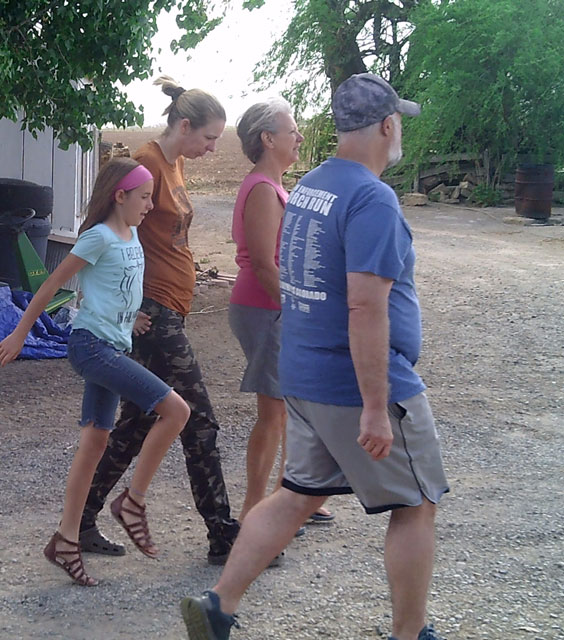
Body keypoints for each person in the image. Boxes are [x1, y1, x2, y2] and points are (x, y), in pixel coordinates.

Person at [180, 73, 449, 640]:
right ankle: (410, 634)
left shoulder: (311, 186)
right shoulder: (371, 198)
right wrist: (376, 406)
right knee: (416, 501)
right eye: (398, 121)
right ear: (386, 125)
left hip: (306, 375)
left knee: (297, 495)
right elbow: (365, 306)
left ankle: (218, 605)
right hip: (358, 383)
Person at [0, 158, 190, 586]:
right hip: (91, 347)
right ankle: (133, 502)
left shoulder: (131, 234)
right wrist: (19, 334)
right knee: (177, 411)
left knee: (95, 442)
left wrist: (130, 318)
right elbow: (50, 285)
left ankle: (66, 540)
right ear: (119, 196)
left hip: (112, 343)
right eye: (144, 197)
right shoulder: (98, 236)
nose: (150, 205)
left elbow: (113, 288)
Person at [78, 76, 241, 565]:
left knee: (137, 421)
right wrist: (126, 308)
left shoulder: (175, 164)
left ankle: (79, 520)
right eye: (209, 137)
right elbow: (105, 228)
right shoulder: (146, 163)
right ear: (184, 126)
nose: (213, 148)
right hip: (153, 314)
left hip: (171, 308)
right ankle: (222, 535)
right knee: (198, 419)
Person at [228, 99, 333, 526]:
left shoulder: (271, 186)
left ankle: (292, 497)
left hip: (271, 306)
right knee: (272, 414)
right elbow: (263, 264)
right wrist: (298, 311)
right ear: (268, 139)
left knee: (290, 408)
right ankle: (255, 514)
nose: (300, 137)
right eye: (293, 131)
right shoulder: (262, 189)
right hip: (265, 308)